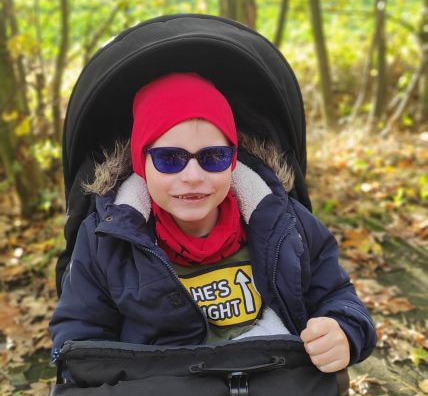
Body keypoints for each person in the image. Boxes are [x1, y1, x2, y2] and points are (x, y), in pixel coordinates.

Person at [50, 72, 376, 374]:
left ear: (232, 160)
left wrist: (344, 331)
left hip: (273, 386)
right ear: (141, 163)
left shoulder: (284, 222)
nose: (193, 176)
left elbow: (336, 293)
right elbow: (79, 333)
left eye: (213, 157)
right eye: (169, 159)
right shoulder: (106, 241)